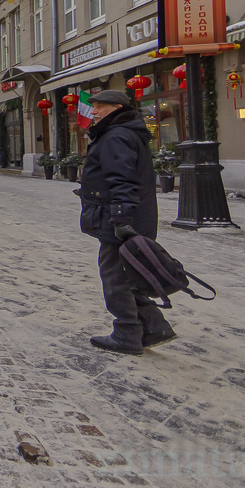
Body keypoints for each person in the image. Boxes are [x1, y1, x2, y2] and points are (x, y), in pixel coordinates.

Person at [79, 88, 174, 356]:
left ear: (117, 108)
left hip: (119, 220)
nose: (94, 111)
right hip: (130, 215)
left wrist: (121, 218)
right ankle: (154, 326)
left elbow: (122, 179)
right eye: (93, 106)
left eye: (99, 107)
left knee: (115, 277)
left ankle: (126, 334)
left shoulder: (116, 136)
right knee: (130, 274)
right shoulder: (126, 133)